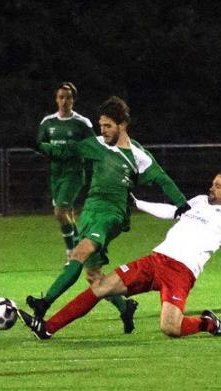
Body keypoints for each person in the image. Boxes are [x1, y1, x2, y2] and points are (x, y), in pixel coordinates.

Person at [17, 170, 221, 339]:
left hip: (181, 272)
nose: (212, 188)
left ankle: (209, 324)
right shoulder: (199, 200)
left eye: (218, 186)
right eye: (213, 183)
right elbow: (171, 212)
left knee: (170, 328)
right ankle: (47, 328)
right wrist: (138, 203)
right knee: (100, 286)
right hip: (156, 260)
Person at [26, 96, 190, 333]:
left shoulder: (138, 155)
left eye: (108, 126)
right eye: (100, 125)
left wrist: (182, 205)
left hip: (112, 214)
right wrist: (37, 144)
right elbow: (65, 151)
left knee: (79, 253)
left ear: (122, 124)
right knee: (94, 277)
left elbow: (162, 179)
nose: (102, 130)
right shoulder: (96, 144)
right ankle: (125, 309)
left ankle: (44, 303)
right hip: (90, 211)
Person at [37, 82, 95, 264]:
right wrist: (50, 149)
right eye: (61, 97)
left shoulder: (82, 123)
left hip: (74, 173)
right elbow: (39, 143)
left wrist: (74, 149)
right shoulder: (48, 122)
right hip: (56, 173)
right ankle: (82, 252)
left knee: (59, 212)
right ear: (56, 99)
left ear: (73, 100)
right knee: (67, 214)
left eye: (68, 97)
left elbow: (93, 146)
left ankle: (71, 253)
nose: (64, 101)